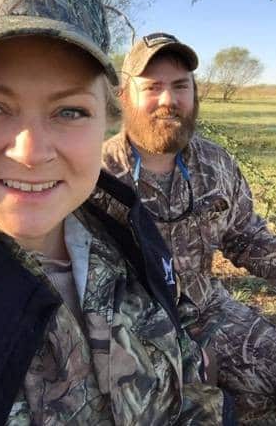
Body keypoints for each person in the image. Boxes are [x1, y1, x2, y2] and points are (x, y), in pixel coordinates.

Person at [0, 0, 235, 425]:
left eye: (69, 111)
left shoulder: (120, 224)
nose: (31, 152)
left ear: (105, 119)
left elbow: (186, 373)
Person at [101, 31, 276, 424]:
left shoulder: (216, 163)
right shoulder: (96, 173)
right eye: (153, 87)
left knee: (268, 377)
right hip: (131, 327)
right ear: (125, 95)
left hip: (208, 307)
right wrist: (183, 354)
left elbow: (246, 236)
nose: (169, 99)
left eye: (181, 86)